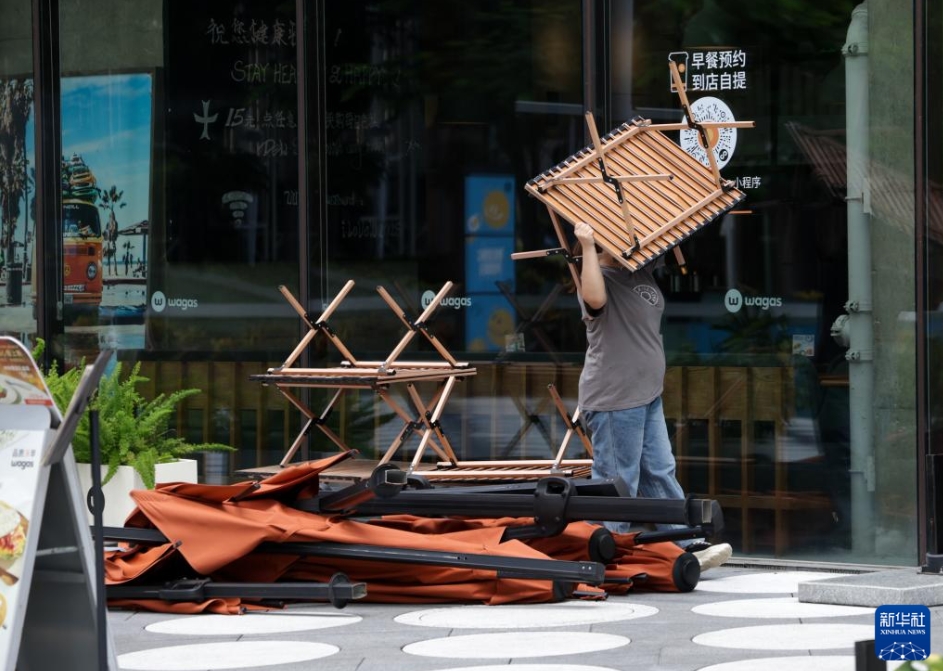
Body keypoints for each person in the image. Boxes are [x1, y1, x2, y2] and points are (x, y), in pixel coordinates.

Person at [572, 221, 732, 573]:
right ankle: (605, 554)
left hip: (647, 393)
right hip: (615, 396)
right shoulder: (595, 276)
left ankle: (686, 543)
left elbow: (670, 237)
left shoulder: (638, 269)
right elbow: (594, 300)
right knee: (618, 479)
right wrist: (588, 245)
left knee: (659, 470)